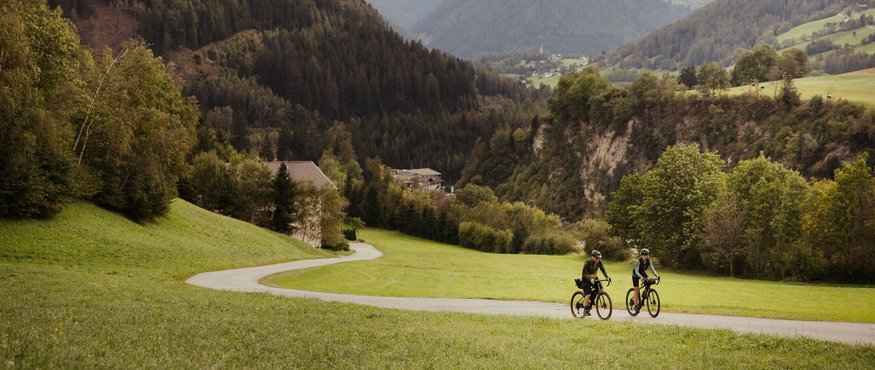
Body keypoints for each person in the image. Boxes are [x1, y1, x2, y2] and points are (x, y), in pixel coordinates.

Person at [580, 250, 611, 316]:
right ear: (593, 257)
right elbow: (584, 274)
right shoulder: (587, 262)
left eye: (599, 258)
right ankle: (585, 309)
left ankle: (592, 300)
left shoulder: (599, 261)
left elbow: (603, 269)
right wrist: (590, 279)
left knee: (601, 289)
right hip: (586, 279)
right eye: (597, 258)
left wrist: (607, 277)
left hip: (594, 277)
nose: (598, 259)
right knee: (588, 293)